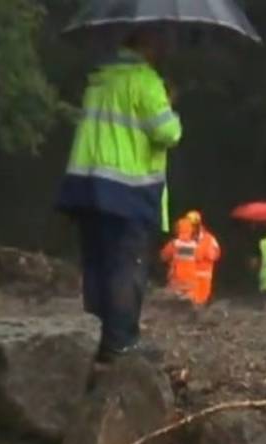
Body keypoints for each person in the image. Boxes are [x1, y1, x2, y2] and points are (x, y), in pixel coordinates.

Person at [56, 27, 182, 362]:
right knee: (127, 266)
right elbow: (167, 133)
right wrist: (168, 104)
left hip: (86, 186)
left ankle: (97, 341)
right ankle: (122, 343)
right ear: (147, 42)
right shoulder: (145, 82)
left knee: (96, 265)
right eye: (161, 40)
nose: (165, 46)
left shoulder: (98, 80)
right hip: (127, 191)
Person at [160, 214, 199, 297]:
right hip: (191, 281)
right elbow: (199, 259)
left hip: (176, 279)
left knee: (172, 304)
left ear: (177, 230)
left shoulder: (174, 244)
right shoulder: (195, 245)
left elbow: (163, 257)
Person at [191, 218, 222, 306]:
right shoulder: (184, 239)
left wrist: (207, 254)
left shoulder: (209, 238)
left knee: (201, 299)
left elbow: (217, 254)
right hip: (189, 275)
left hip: (204, 275)